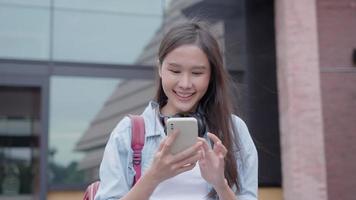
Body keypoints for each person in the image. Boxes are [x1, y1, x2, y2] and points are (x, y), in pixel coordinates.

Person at [95, 21, 258, 200]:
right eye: (175, 71)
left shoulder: (234, 130)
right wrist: (153, 176)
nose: (185, 84)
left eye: (197, 73)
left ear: (211, 75)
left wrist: (220, 184)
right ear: (160, 68)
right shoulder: (128, 132)